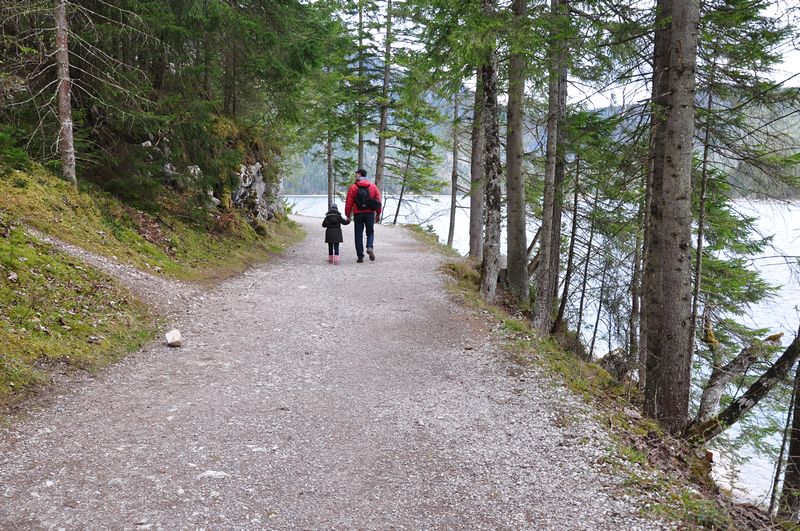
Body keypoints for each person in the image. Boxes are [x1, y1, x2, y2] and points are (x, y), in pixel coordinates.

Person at [345, 168, 382, 263]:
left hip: (358, 213)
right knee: (370, 232)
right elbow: (378, 201)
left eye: (356, 173)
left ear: (360, 174)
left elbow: (349, 202)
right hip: (370, 213)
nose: (355, 175)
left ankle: (360, 257)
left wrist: (348, 214)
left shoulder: (353, 187)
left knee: (358, 235)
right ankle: (369, 247)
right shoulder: (373, 186)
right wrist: (378, 213)